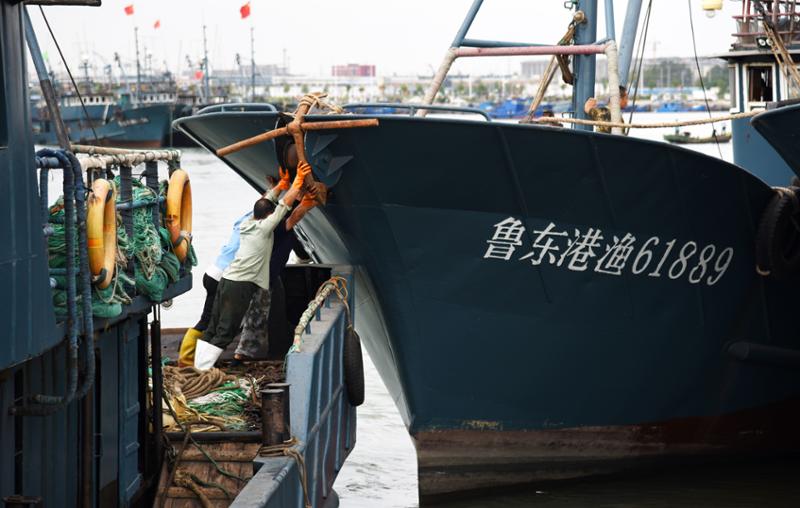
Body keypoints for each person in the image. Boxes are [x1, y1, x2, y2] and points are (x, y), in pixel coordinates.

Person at [194, 161, 311, 370]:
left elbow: (267, 202)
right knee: (226, 331)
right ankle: (202, 371)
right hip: (241, 284)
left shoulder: (247, 222)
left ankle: (198, 367)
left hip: (227, 279)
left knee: (213, 327)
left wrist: (281, 185)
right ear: (268, 216)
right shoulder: (264, 228)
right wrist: (299, 180)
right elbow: (284, 207)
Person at [232, 179, 323, 364]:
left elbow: (285, 208)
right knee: (257, 316)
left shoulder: (252, 223)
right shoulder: (275, 228)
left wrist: (282, 186)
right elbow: (294, 216)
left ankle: (255, 348)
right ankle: (242, 354)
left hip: (259, 275)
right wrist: (310, 202)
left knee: (261, 313)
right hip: (262, 279)